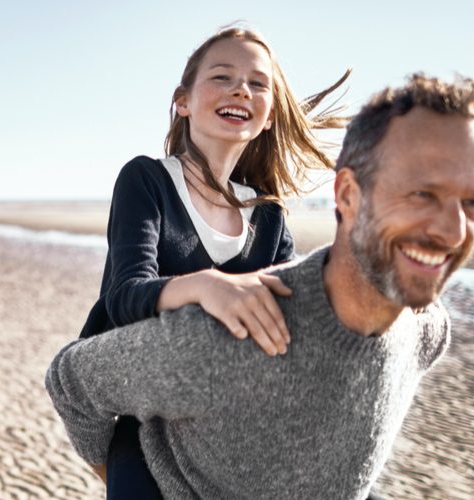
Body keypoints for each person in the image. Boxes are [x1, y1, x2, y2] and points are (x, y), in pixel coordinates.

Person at [47, 73, 474, 499]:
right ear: (347, 195)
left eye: (472, 203)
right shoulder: (225, 338)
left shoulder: (426, 330)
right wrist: (122, 482)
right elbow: (72, 380)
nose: (452, 230)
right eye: (422, 193)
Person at [78, 25, 348, 497]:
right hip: (146, 421)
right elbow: (122, 299)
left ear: (267, 117)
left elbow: (293, 321)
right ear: (183, 101)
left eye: (258, 83)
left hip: (233, 423)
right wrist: (208, 286)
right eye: (222, 77)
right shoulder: (146, 180)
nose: (241, 89)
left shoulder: (268, 214)